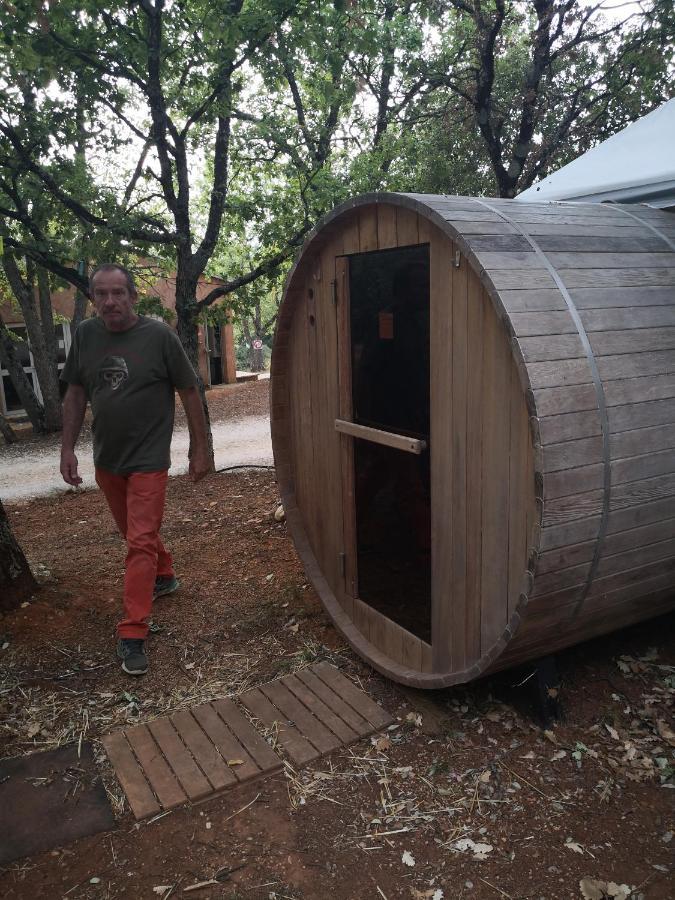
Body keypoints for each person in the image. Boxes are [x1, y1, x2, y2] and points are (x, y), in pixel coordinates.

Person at [60, 263, 211, 676]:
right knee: (134, 532)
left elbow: (189, 389)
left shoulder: (158, 336)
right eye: (101, 294)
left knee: (139, 539)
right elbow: (75, 392)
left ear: (132, 296)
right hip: (107, 459)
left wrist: (201, 447)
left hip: (149, 460)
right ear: (93, 298)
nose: (110, 302)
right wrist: (67, 448)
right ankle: (164, 574)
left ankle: (132, 631)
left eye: (118, 293)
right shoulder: (87, 336)